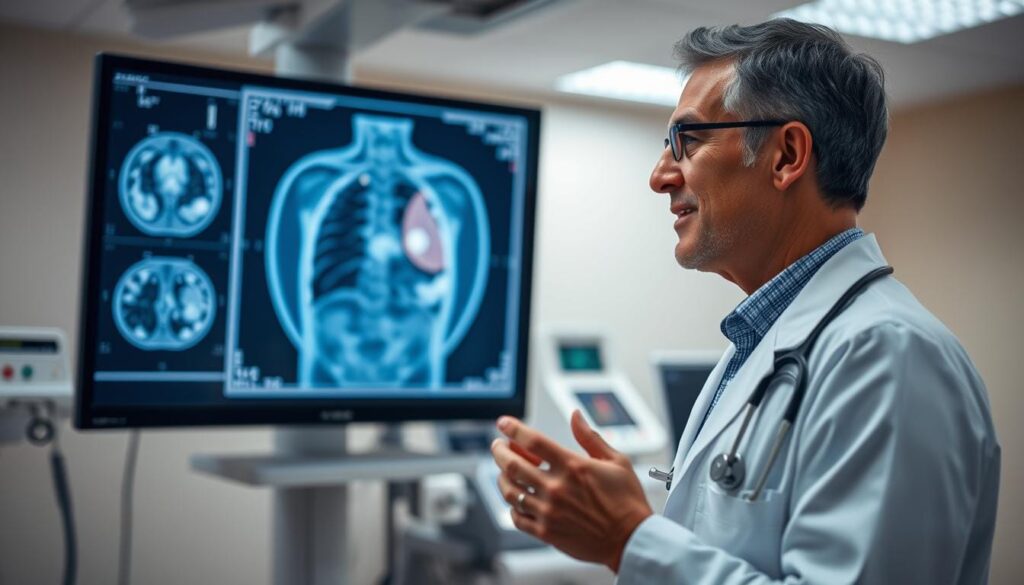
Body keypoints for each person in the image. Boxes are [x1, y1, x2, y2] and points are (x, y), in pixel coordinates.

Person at [490, 18, 1000, 584]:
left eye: (688, 140)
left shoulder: (889, 356)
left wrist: (627, 538)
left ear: (786, 155)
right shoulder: (763, 344)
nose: (660, 176)